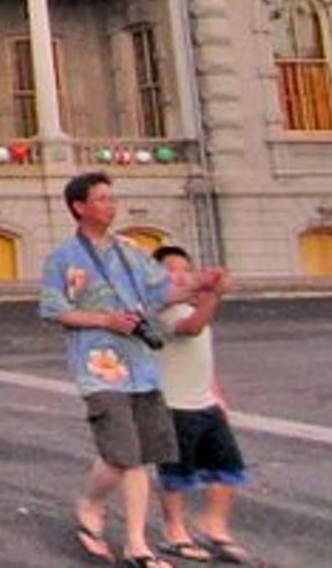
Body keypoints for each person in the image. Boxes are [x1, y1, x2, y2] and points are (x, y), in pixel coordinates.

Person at [41, 172, 222, 568]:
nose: (111, 205)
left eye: (112, 198)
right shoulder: (63, 259)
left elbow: (162, 291)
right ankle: (90, 503)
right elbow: (54, 310)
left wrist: (200, 284)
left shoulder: (130, 252)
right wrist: (104, 321)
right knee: (122, 455)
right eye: (102, 199)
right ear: (79, 207)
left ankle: (137, 543)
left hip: (142, 365)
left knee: (140, 456)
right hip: (100, 370)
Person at [150, 246, 250, 565]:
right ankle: (174, 531)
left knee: (227, 468)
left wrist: (216, 391)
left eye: (185, 268)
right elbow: (194, 326)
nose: (179, 274)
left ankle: (215, 526)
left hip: (204, 403)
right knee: (176, 474)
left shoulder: (188, 306)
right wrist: (211, 293)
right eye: (170, 269)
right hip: (173, 405)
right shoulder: (158, 311)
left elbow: (201, 356)